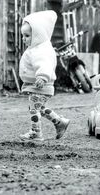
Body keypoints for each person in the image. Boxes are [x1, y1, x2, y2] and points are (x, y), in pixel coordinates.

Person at [19, 10, 70, 141]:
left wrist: (42, 76)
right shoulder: (37, 47)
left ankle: (36, 132)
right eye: (23, 35)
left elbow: (44, 63)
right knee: (39, 108)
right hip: (38, 86)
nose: (23, 39)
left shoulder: (40, 49)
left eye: (27, 35)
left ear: (37, 35)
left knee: (33, 109)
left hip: (40, 85)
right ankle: (59, 122)